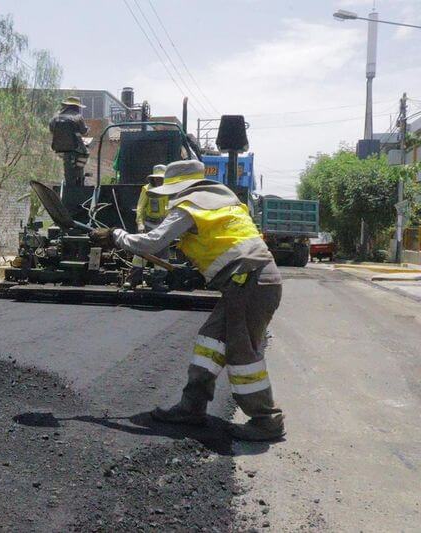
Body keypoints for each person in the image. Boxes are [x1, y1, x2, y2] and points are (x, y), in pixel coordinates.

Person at [90, 159, 285, 441]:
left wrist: (115, 236)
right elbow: (223, 243)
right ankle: (191, 407)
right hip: (249, 281)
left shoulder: (189, 207)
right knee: (210, 342)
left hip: (250, 282)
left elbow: (151, 243)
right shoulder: (221, 201)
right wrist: (196, 272)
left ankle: (265, 420)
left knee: (242, 354)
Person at [127, 164, 168, 287]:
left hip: (163, 225)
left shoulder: (169, 190)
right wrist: (140, 224)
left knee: (162, 255)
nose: (158, 180)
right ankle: (133, 280)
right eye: (157, 178)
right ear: (153, 178)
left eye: (161, 178)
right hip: (148, 224)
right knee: (141, 253)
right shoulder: (146, 189)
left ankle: (158, 282)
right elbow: (140, 207)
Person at [49, 96, 89, 185]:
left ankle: (71, 176)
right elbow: (83, 131)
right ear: (76, 107)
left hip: (59, 148)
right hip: (76, 147)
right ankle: (78, 169)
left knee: (67, 164)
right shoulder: (77, 116)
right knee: (86, 153)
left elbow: (51, 129)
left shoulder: (56, 117)